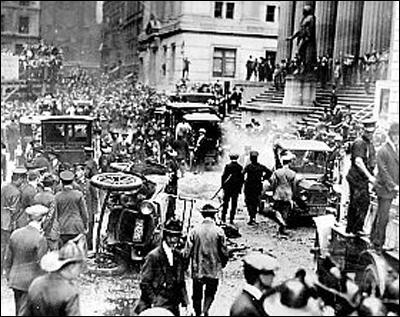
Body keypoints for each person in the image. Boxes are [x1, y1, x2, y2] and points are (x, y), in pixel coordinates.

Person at [19, 234, 86, 316]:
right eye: (79, 267)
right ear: (72, 266)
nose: (79, 272)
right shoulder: (70, 291)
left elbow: (24, 313)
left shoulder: (36, 283)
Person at [184, 204, 229, 316]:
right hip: (213, 269)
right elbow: (224, 252)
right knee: (210, 292)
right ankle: (205, 311)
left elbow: (187, 252)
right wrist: (222, 264)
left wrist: (185, 266)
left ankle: (198, 313)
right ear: (214, 215)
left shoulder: (194, 230)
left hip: (198, 268)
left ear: (203, 215)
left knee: (197, 295)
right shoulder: (219, 231)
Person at [4, 205, 49, 314]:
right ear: (43, 219)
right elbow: (42, 264)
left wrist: (9, 276)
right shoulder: (40, 238)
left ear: (28, 218)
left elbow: (7, 259)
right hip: (32, 282)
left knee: (19, 310)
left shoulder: (15, 234)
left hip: (16, 280)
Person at [371, 121, 399, 252]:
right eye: (395, 135)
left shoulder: (396, 149)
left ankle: (374, 238)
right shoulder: (383, 150)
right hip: (384, 189)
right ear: (391, 135)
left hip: (390, 189)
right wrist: (393, 186)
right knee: (384, 217)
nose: (397, 138)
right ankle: (378, 244)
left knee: (381, 215)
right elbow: (383, 171)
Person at [346, 119, 377, 235]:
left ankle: (351, 228)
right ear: (363, 131)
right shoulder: (360, 143)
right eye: (368, 132)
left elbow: (372, 162)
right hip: (357, 178)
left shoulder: (370, 144)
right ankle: (356, 229)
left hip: (361, 178)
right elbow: (358, 161)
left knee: (356, 202)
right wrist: (370, 177)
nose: (370, 134)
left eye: (371, 132)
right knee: (362, 202)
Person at [230, 252, 279, 317]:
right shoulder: (245, 307)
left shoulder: (253, 299)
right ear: (261, 277)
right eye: (270, 272)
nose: (273, 275)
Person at [1, 167, 26, 272]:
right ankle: (7, 268)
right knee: (8, 246)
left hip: (2, 219)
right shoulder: (16, 192)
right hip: (8, 223)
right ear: (20, 179)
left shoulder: (4, 187)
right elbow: (14, 210)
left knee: (2, 245)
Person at [55, 170, 88, 246]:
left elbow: (55, 214)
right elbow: (84, 213)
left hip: (63, 228)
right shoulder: (78, 195)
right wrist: (85, 225)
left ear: (62, 182)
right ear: (72, 181)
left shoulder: (57, 196)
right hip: (77, 227)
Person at [269, 152, 297, 235]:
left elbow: (273, 183)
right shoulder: (293, 173)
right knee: (285, 211)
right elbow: (294, 185)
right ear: (289, 163)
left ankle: (281, 224)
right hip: (288, 194)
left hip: (278, 193)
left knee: (276, 210)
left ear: (282, 162)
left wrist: (274, 190)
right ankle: (283, 228)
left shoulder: (277, 172)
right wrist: (292, 194)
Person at [243, 151, 272, 225]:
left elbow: (242, 174)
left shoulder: (248, 167)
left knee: (248, 202)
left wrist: (243, 181)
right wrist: (263, 178)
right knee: (255, 202)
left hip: (249, 187)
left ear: (250, 158)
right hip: (257, 186)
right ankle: (253, 217)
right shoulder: (261, 167)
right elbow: (269, 172)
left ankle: (251, 217)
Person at [286, 5, 317, 74]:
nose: (303, 11)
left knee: (301, 52)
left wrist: (308, 36)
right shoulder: (304, 19)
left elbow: (311, 28)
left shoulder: (311, 18)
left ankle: (304, 67)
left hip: (307, 38)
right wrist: (292, 37)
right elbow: (300, 30)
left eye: (304, 10)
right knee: (299, 53)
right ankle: (301, 67)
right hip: (301, 37)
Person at [34, 173, 59, 251]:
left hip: (37, 230)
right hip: (51, 231)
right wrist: (45, 227)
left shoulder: (36, 197)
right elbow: (51, 215)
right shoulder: (53, 198)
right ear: (53, 184)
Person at [221, 153, 244, 224]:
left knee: (225, 203)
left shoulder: (228, 166)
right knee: (234, 204)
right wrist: (240, 189)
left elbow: (223, 177)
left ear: (230, 158)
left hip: (228, 188)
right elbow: (241, 179)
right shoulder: (240, 167)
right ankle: (231, 219)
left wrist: (223, 187)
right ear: (237, 158)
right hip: (235, 189)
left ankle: (223, 218)